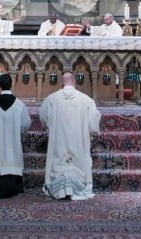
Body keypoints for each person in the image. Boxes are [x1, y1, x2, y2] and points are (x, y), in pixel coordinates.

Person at [40, 72, 101, 200]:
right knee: (80, 160)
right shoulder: (86, 100)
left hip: (59, 142)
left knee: (58, 160)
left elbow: (43, 118)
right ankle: (78, 186)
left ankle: (58, 186)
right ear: (74, 81)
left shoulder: (51, 99)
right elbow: (94, 125)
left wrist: (50, 126)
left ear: (62, 82)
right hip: (79, 142)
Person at [0, 73, 31, 199]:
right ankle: (13, 188)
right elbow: (26, 123)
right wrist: (21, 136)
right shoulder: (19, 105)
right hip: (12, 144)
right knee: (12, 158)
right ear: (11, 84)